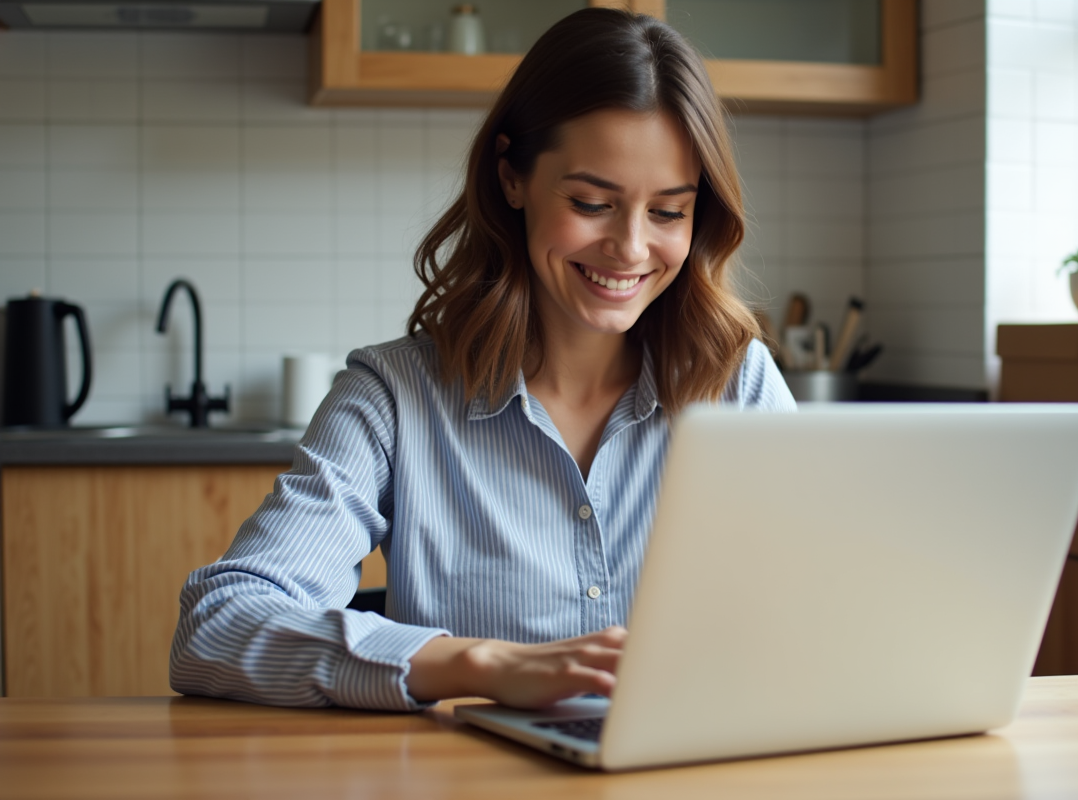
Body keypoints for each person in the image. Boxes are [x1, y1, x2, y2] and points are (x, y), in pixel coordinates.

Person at [170, 7, 795, 712]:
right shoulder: (393, 397)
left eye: (667, 213)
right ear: (512, 178)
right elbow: (217, 626)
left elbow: (830, 612)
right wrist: (481, 664)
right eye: (592, 202)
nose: (629, 247)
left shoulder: (739, 386)